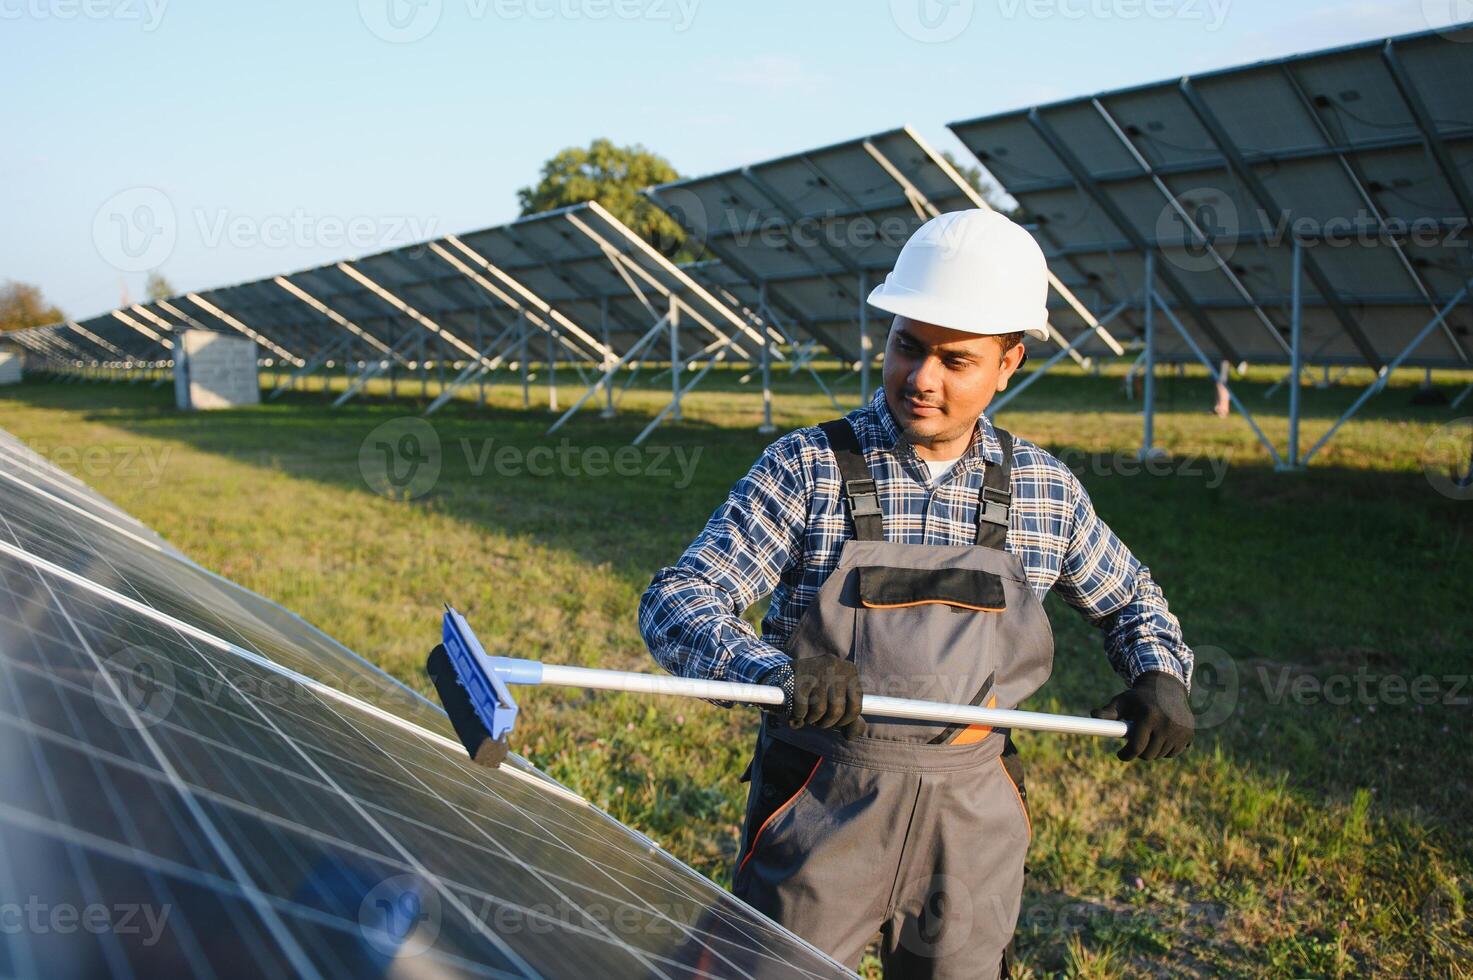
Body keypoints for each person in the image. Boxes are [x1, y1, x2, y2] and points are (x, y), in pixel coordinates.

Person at [638, 209, 1196, 977]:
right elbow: (678, 598)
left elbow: (1131, 598)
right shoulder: (808, 468)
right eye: (907, 346)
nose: (920, 379)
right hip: (820, 798)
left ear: (1008, 363)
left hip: (972, 814)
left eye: (954, 360)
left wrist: (1159, 673)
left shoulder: (1042, 490)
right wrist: (772, 673)